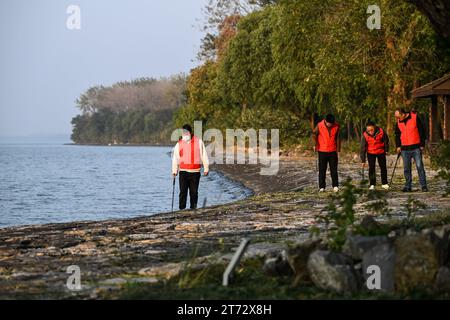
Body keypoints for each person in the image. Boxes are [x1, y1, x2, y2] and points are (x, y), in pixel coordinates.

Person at [172, 124, 209, 210]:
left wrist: (206, 168)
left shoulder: (199, 142)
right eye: (183, 133)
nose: (185, 134)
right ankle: (181, 209)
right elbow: (175, 158)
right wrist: (174, 171)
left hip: (195, 172)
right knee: (182, 192)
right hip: (183, 172)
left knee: (194, 192)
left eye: (186, 132)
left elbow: (204, 155)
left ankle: (193, 208)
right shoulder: (179, 143)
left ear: (190, 132)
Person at [394, 109, 428, 192]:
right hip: (404, 149)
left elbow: (421, 131)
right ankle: (408, 186)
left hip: (416, 147)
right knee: (406, 168)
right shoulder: (398, 122)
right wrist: (398, 146)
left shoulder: (415, 117)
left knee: (420, 167)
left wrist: (422, 144)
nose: (397, 118)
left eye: (398, 116)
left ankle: (423, 186)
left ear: (403, 114)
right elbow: (397, 134)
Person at [313, 114, 341, 192]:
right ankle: (322, 187)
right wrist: (315, 145)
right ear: (325, 121)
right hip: (322, 151)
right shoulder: (319, 125)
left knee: (334, 170)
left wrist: (338, 150)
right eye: (329, 123)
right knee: (322, 170)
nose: (330, 125)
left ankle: (335, 186)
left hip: (333, 151)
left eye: (331, 123)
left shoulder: (337, 126)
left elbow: (338, 138)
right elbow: (314, 134)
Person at [360, 120, 390, 190]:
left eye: (372, 130)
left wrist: (386, 150)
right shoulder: (365, 135)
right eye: (368, 130)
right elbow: (362, 148)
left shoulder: (381, 131)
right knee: (371, 168)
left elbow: (386, 141)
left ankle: (384, 183)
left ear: (375, 127)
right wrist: (363, 160)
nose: (370, 131)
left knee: (383, 167)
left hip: (381, 151)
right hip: (371, 153)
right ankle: (372, 184)